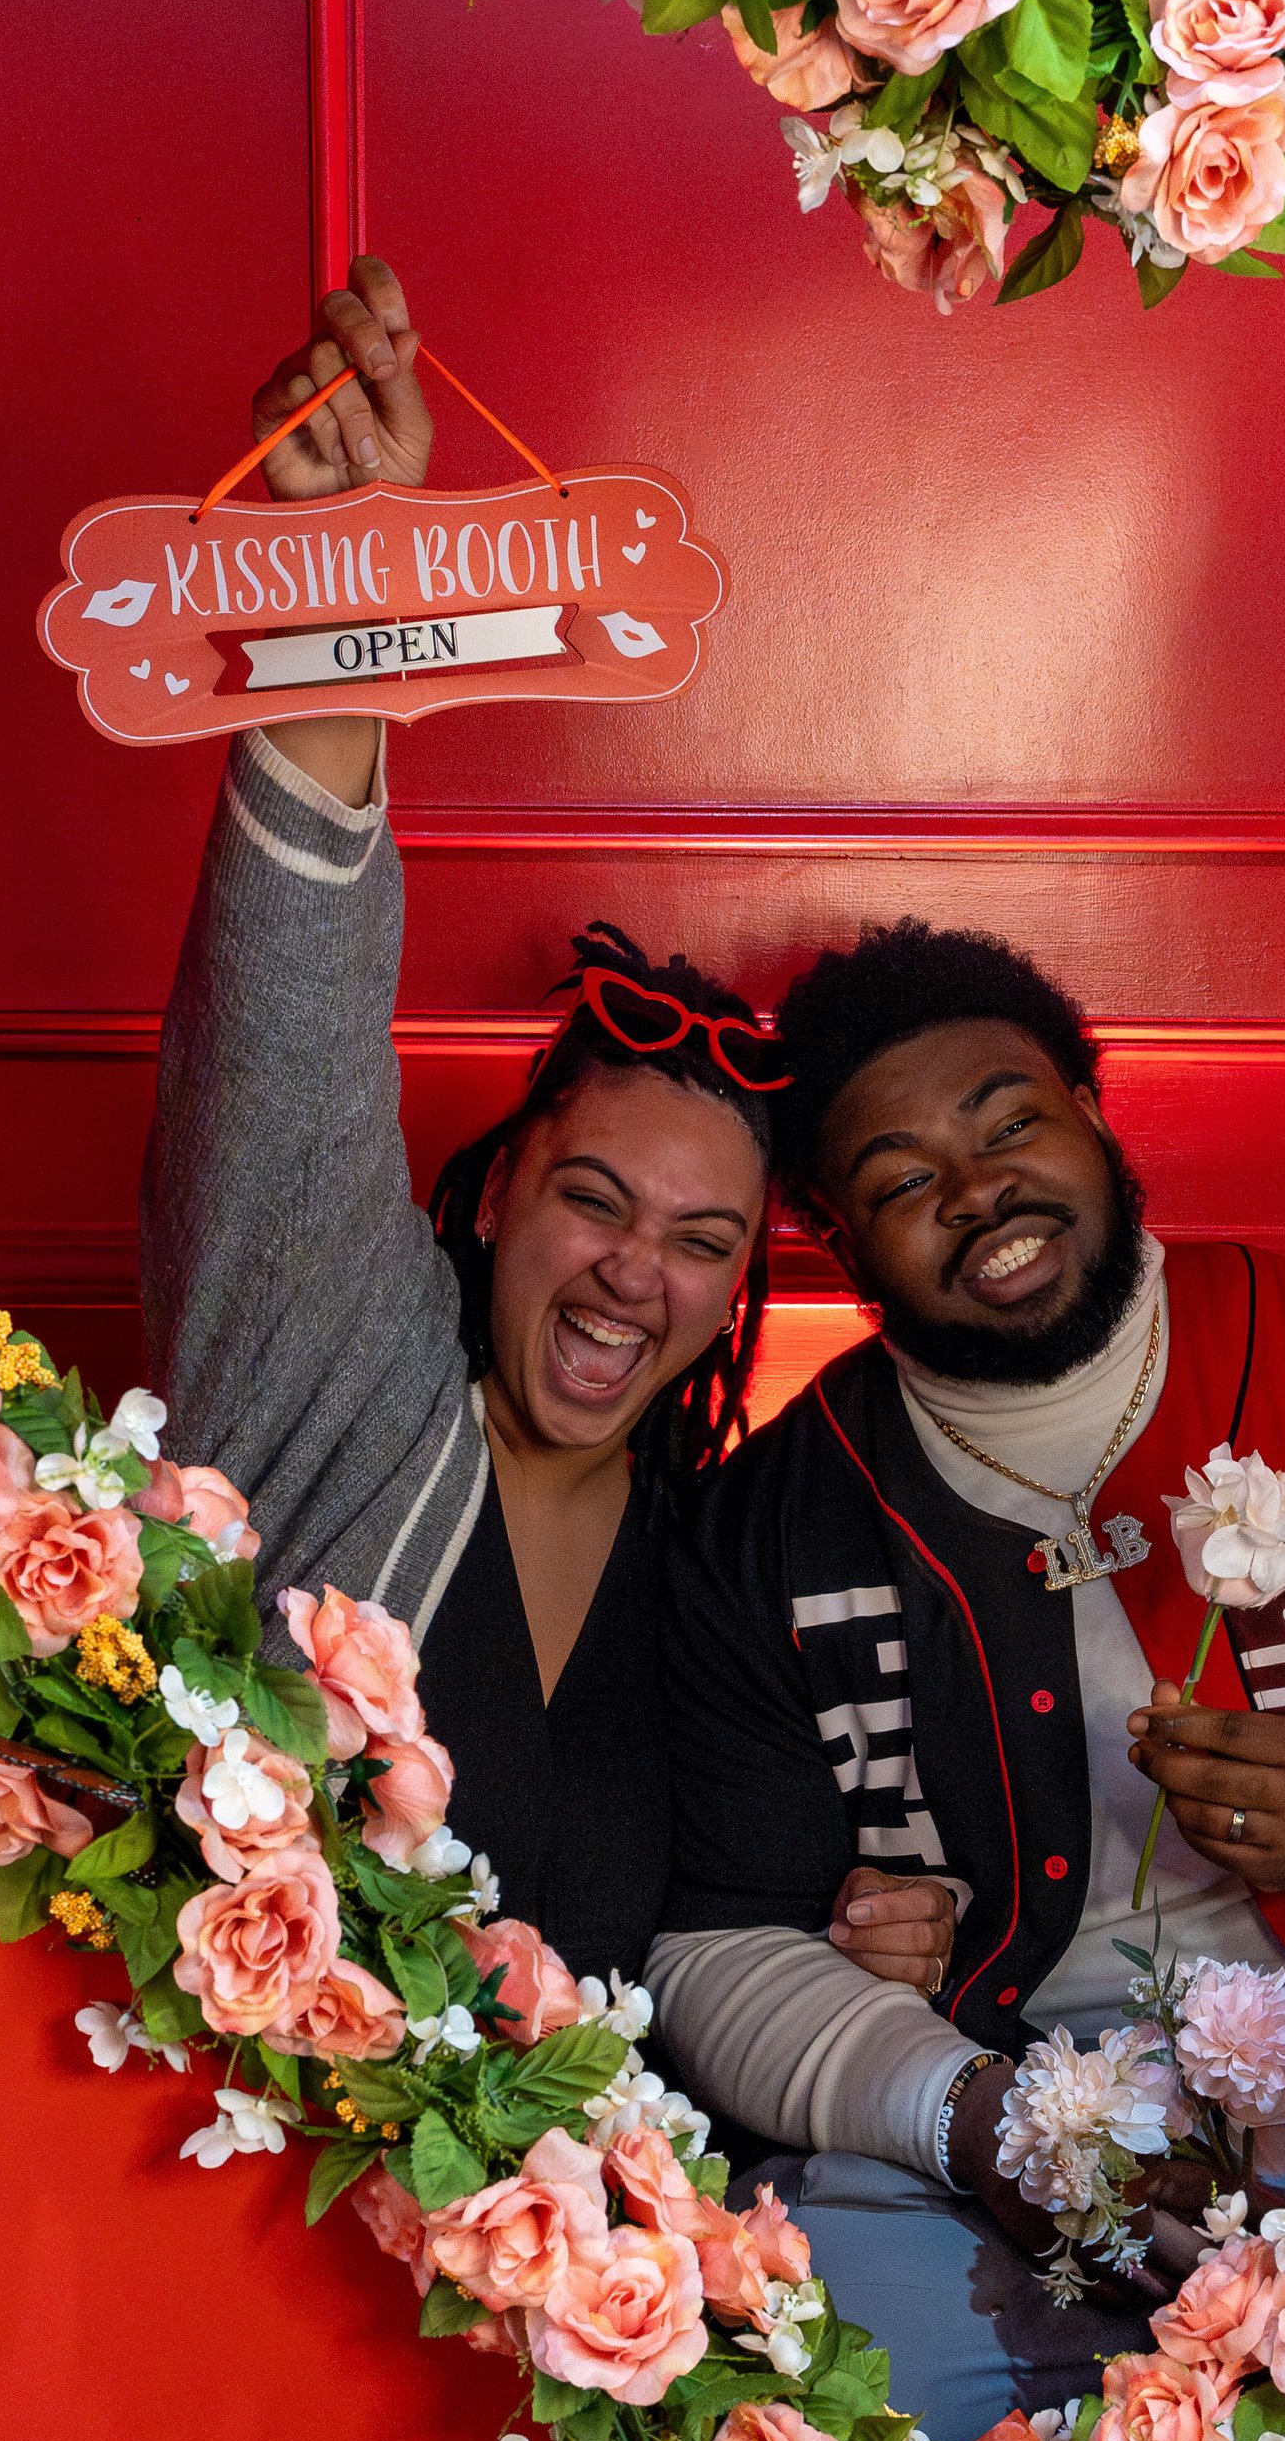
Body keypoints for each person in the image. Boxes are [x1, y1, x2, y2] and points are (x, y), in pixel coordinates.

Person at [648, 919, 1285, 2439]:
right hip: (971, 2100)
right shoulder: (770, 1523)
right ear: (833, 1235)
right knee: (835, 2430)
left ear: (1093, 1105)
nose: (979, 1191)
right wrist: (968, 2117)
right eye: (901, 1181)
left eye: (1012, 1121)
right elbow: (713, 1951)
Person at [139, 257, 944, 1992]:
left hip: (595, 2240)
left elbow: (746, 1931)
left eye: (703, 1241)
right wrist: (348, 577)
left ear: (741, 1290)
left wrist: (884, 1924)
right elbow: (286, 1042)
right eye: (595, 1197)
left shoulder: (716, 1561)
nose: (631, 1274)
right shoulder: (334, 1371)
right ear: (499, 1190)